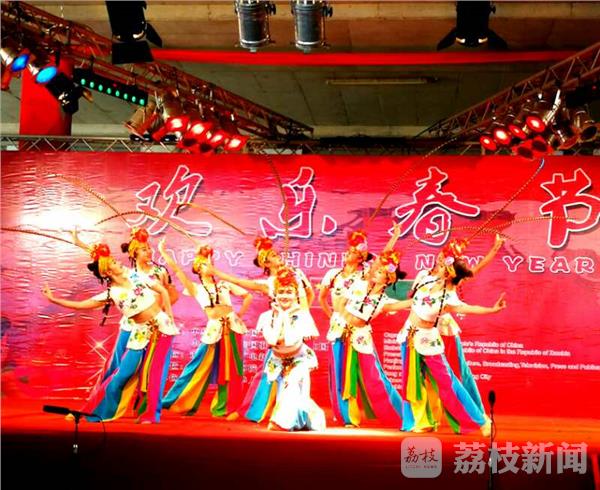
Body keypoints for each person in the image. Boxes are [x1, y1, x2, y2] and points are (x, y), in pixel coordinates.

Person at [42, 243, 178, 423]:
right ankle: (91, 411)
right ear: (107, 272)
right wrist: (54, 300)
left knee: (155, 372)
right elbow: (81, 305)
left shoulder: (135, 275)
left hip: (162, 327)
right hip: (140, 332)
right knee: (122, 372)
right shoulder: (112, 293)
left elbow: (162, 291)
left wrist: (169, 314)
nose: (118, 262)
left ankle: (152, 414)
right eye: (114, 262)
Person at [394, 239, 507, 435]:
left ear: (450, 272)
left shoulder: (449, 297)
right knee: (411, 382)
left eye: (445, 263)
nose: (440, 263)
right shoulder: (425, 278)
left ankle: (480, 421)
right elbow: (411, 302)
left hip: (429, 340)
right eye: (441, 260)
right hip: (408, 336)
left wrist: (492, 310)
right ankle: (418, 422)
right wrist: (387, 307)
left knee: (448, 382)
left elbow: (470, 307)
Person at [318, 225, 405, 427]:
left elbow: (382, 260)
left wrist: (394, 237)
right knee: (339, 372)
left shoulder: (364, 275)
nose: (347, 253)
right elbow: (322, 298)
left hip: (358, 330)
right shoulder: (333, 274)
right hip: (338, 327)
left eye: (352, 251)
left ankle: (397, 411)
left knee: (372, 373)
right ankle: (348, 417)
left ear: (360, 257)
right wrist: (333, 317)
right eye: (348, 250)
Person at [158, 238, 252, 417]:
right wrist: (163, 251)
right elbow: (177, 270)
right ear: (198, 269)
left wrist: (239, 315)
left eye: (209, 263)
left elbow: (248, 296)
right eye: (202, 264)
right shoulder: (195, 288)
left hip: (232, 327)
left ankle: (226, 407)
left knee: (233, 368)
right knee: (196, 365)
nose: (207, 266)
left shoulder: (224, 284)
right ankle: (175, 400)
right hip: (214, 329)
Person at [244, 267, 324, 431]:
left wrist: (285, 317)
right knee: (290, 394)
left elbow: (290, 340)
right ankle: (309, 418)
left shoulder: (303, 316)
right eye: (281, 292)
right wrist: (282, 315)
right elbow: (272, 340)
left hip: (300, 358)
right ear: (274, 294)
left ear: (296, 294)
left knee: (291, 383)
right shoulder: (266, 317)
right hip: (278, 360)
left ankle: (280, 422)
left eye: (289, 292)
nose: (285, 296)